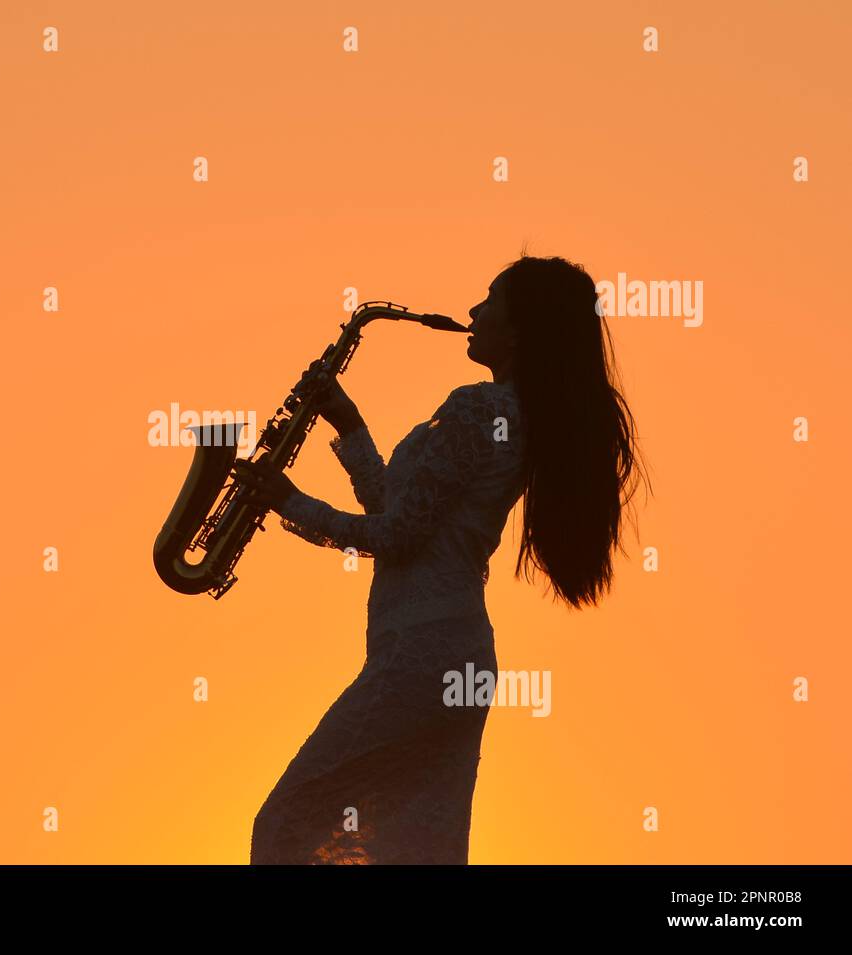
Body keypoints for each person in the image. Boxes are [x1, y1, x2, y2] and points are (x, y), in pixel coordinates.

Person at [233, 254, 647, 864]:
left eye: (490, 301)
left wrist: (289, 500)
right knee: (414, 850)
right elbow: (403, 512)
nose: (474, 313)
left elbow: (396, 536)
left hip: (421, 655)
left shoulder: (479, 408)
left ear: (522, 325)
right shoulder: (514, 416)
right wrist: (347, 424)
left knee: (285, 824)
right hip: (449, 656)